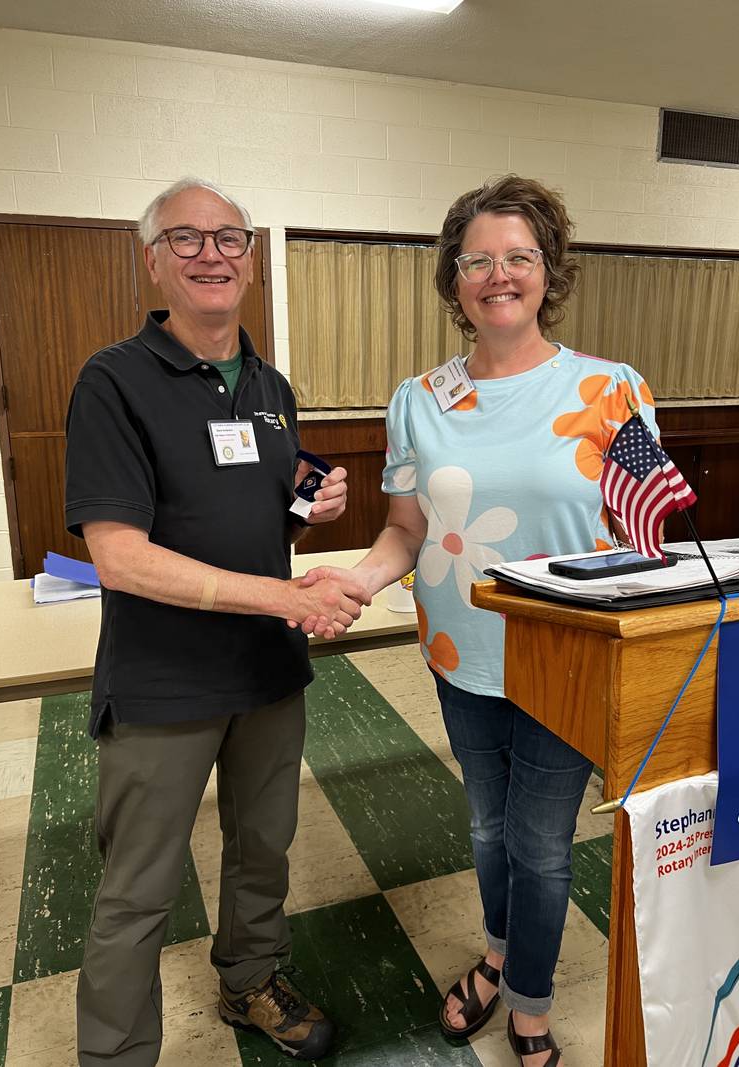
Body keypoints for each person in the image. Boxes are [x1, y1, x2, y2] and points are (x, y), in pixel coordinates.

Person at [297, 174, 658, 1067]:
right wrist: (363, 578)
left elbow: (649, 534)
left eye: (520, 257)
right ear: (454, 282)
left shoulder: (615, 392)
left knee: (538, 844)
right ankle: (498, 956)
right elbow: (407, 530)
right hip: (460, 652)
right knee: (487, 826)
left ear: (549, 271)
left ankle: (528, 1006)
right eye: (479, 260)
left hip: (566, 658)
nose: (501, 274)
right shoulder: (419, 399)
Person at [64, 177, 369, 1066]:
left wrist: (307, 517)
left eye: (229, 238)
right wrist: (285, 596)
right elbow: (119, 556)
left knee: (262, 850)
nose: (211, 254)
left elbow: (253, 526)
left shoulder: (271, 386)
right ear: (153, 261)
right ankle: (116, 1054)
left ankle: (251, 980)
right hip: (164, 682)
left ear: (249, 261)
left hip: (265, 674)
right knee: (139, 889)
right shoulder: (114, 380)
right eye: (187, 239)